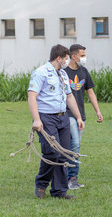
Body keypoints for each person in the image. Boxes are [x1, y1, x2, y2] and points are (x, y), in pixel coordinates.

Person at [28, 44, 84, 199]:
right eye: (66, 59)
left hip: (63, 117)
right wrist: (37, 120)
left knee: (64, 154)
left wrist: (78, 117)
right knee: (52, 153)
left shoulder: (63, 75)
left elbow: (70, 96)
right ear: (59, 58)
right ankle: (41, 184)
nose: (67, 61)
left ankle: (59, 191)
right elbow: (32, 96)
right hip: (46, 118)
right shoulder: (41, 73)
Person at [64, 44, 103, 190]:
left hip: (81, 114)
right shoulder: (63, 72)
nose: (84, 58)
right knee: (75, 144)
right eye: (81, 55)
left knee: (74, 145)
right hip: (68, 114)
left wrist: (97, 111)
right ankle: (71, 178)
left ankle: (69, 176)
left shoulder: (84, 71)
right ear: (73, 56)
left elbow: (90, 93)